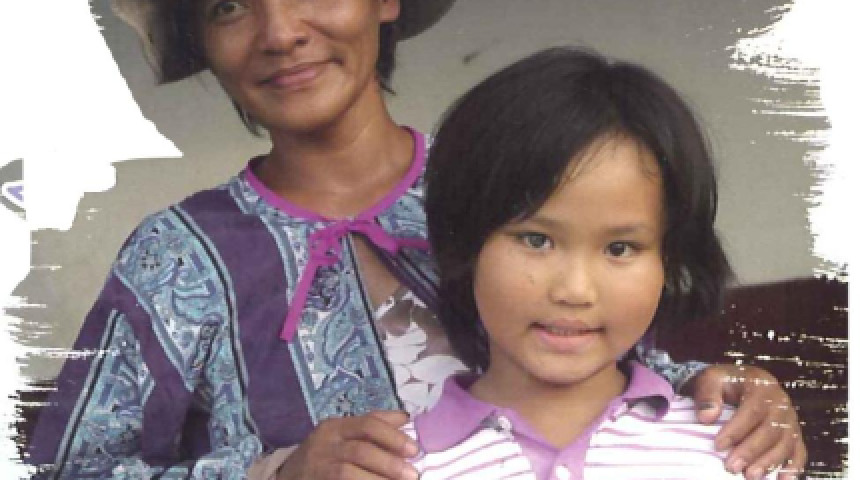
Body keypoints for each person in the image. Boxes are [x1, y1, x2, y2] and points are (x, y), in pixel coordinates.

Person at [27, 1, 804, 479]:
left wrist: (725, 394)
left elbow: (607, 363)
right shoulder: (176, 256)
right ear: (201, 39)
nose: (280, 31)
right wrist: (273, 476)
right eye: (228, 5)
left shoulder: (509, 180)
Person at [410, 46, 778, 479]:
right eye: (537, 240)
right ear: (466, 242)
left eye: (619, 249)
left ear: (670, 258)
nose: (575, 290)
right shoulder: (394, 465)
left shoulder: (737, 452)